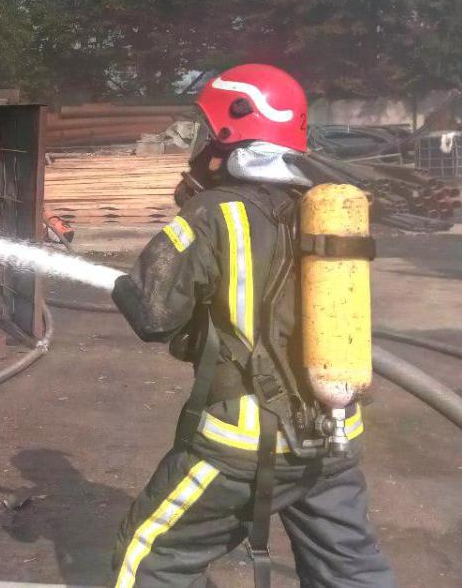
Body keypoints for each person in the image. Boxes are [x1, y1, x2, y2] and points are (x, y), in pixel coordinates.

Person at [109, 64, 396, 588]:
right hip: (333, 437)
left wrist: (126, 286)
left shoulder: (213, 214)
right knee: (350, 569)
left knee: (149, 559)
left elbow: (154, 316)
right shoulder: (325, 206)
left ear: (229, 131)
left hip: (241, 443)